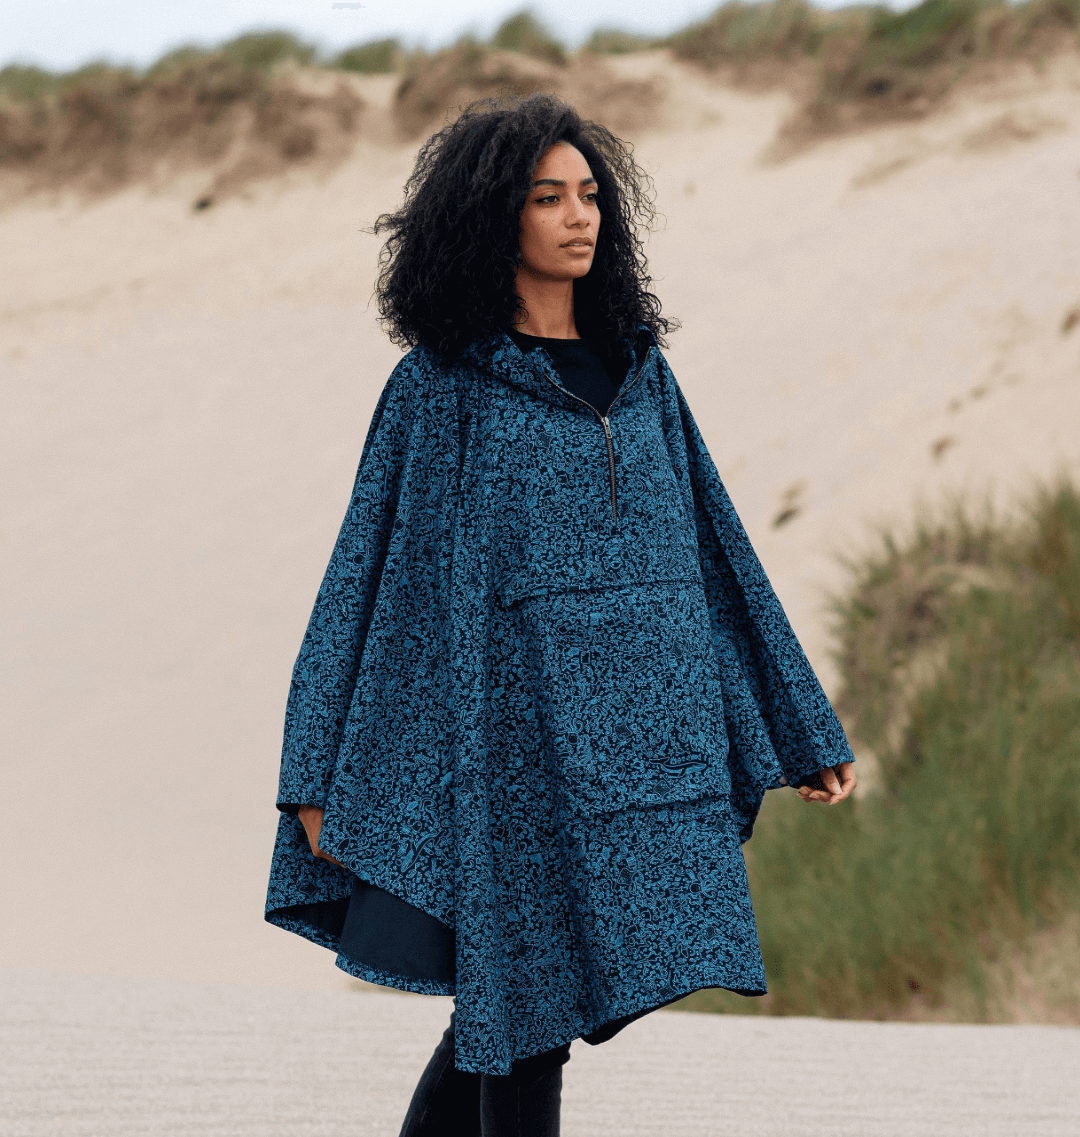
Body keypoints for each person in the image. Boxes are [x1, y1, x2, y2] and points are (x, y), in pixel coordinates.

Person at [265, 93, 856, 1137]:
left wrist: (796, 727)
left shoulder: (644, 377)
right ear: (497, 219)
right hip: (510, 755)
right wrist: (313, 777)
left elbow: (720, 560)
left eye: (590, 195)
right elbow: (365, 580)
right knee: (524, 1012)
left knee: (521, 1011)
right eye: (548, 198)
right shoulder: (440, 389)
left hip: (640, 758)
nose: (579, 217)